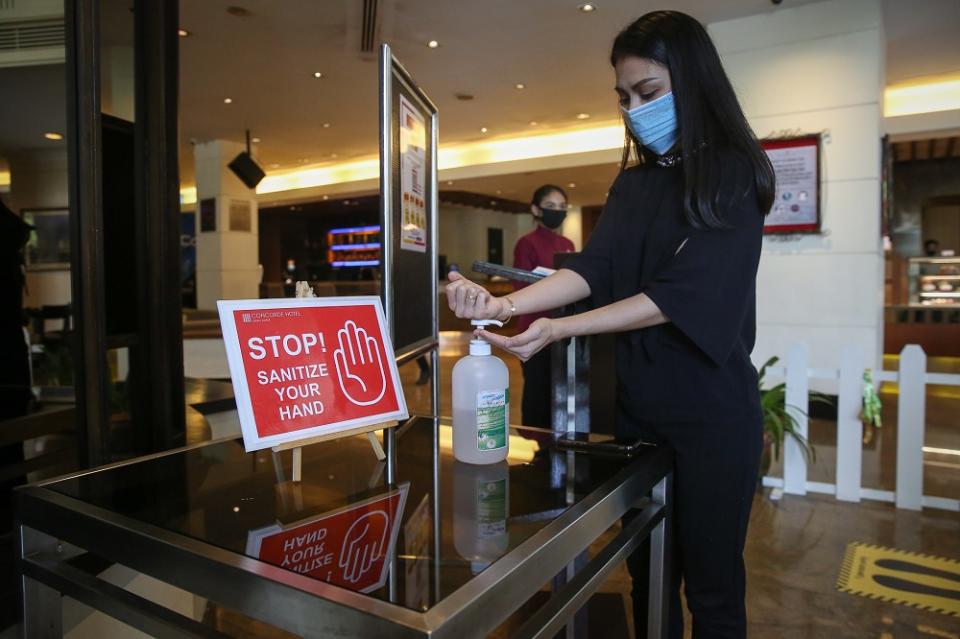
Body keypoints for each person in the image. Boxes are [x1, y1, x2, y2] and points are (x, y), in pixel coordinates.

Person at [444, 10, 774, 638]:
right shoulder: (634, 183)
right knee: (649, 574)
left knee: (713, 587)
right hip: (640, 409)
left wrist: (562, 329)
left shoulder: (735, 173)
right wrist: (508, 306)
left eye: (648, 93)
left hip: (711, 413)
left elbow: (676, 296)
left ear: (695, 81)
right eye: (625, 98)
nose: (634, 109)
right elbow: (595, 267)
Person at [512, 184, 575, 427]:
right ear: (536, 210)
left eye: (562, 207)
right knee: (538, 387)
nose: (557, 211)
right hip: (534, 326)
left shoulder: (567, 243)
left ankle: (562, 436)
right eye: (550, 206)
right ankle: (540, 443)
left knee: (561, 388)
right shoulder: (526, 243)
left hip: (562, 325)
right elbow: (520, 285)